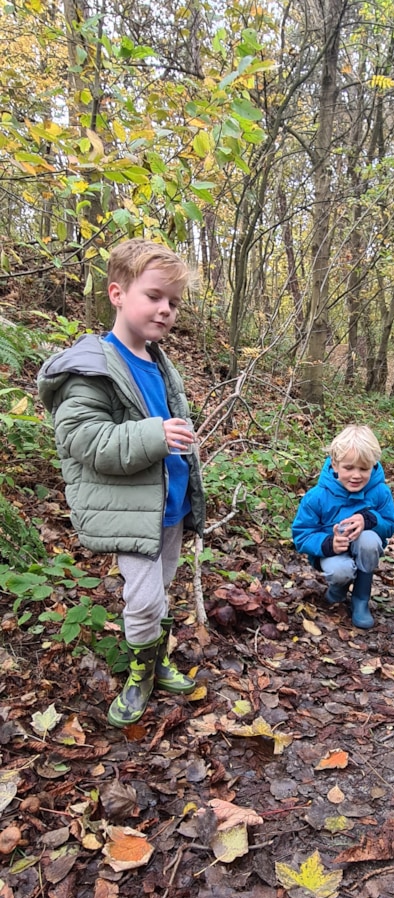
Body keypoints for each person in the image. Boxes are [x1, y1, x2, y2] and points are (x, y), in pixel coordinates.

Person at [38, 238, 205, 728]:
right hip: (131, 509)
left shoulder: (159, 362)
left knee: (162, 588)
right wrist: (155, 435)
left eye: (174, 301)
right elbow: (83, 438)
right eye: (154, 296)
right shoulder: (93, 366)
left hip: (167, 503)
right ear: (117, 294)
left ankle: (156, 659)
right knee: (145, 597)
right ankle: (139, 676)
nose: (166, 309)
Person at [292, 425, 394, 629]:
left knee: (369, 540)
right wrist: (328, 543)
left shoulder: (380, 492)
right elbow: (301, 535)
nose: (356, 475)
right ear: (335, 465)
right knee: (340, 571)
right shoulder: (317, 496)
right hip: (333, 554)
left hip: (364, 548)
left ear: (373, 465)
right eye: (349, 468)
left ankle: (361, 599)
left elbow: (391, 524)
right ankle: (337, 590)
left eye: (364, 469)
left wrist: (370, 519)